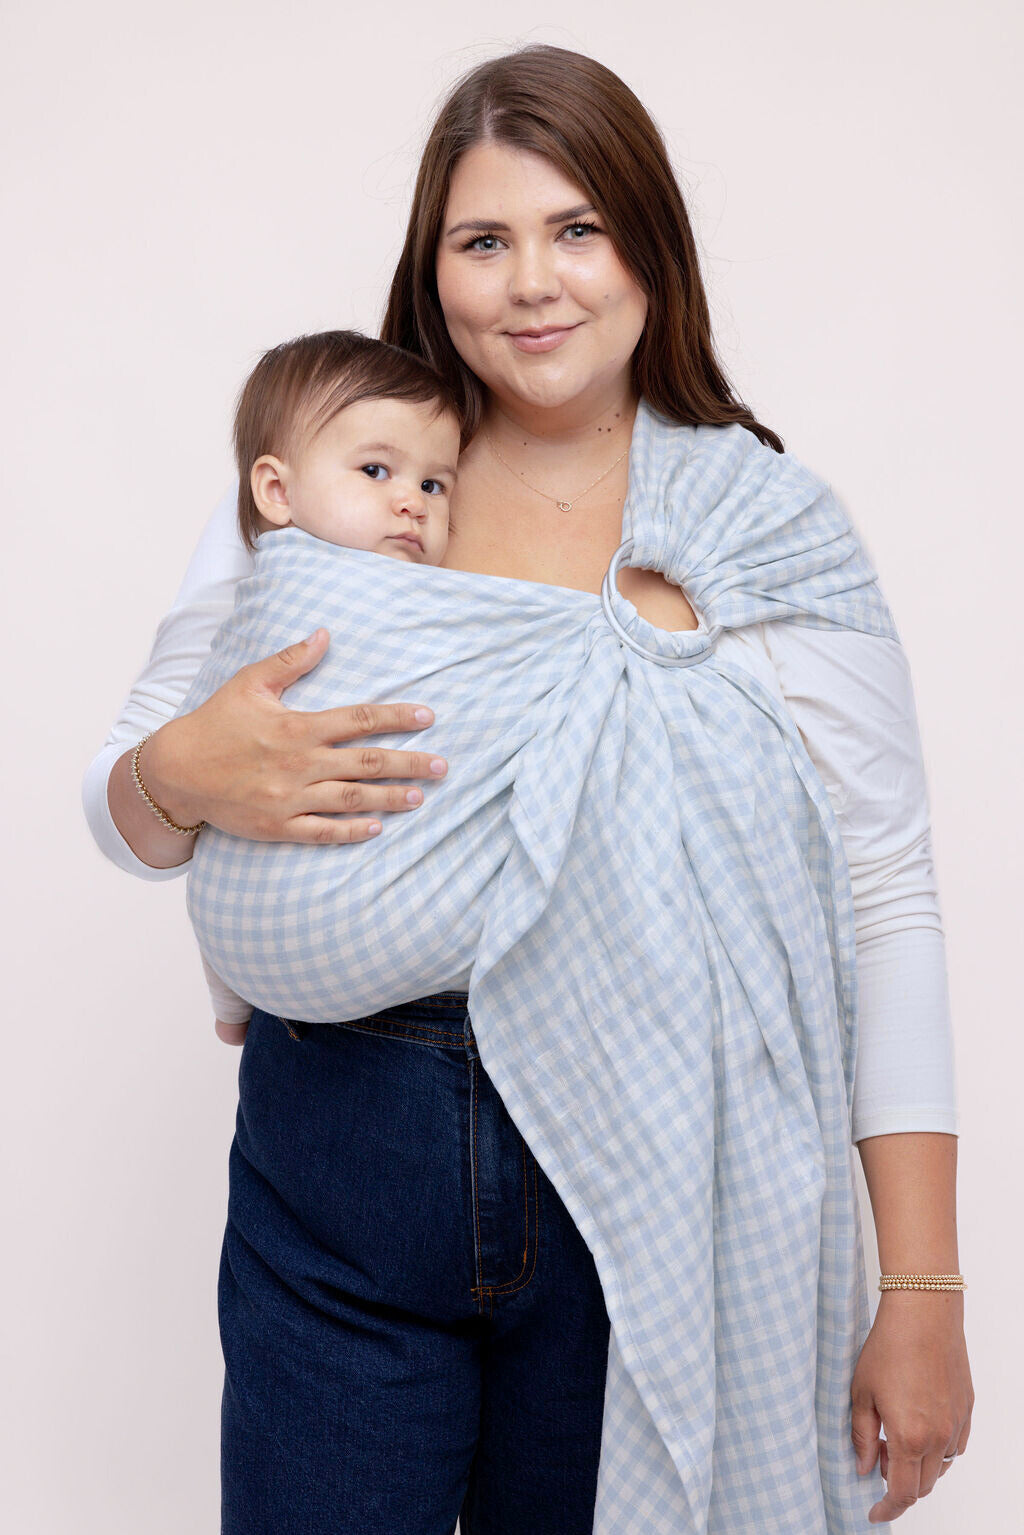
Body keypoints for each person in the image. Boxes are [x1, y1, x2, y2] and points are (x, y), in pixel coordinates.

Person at [82, 43, 972, 1535]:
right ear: (432, 269)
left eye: (577, 230)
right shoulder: (355, 474)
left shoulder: (765, 531)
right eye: (483, 241)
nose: (532, 284)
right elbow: (124, 812)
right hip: (337, 1161)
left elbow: (884, 895)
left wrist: (924, 1286)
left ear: (649, 247)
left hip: (651, 1170)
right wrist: (175, 773)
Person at [175, 327, 465, 1039]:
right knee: (220, 852)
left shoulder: (444, 593)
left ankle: (234, 998)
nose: (413, 502)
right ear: (277, 491)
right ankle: (231, 998)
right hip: (264, 934)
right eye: (376, 471)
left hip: (398, 929)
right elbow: (195, 742)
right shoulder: (274, 590)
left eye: (433, 484)